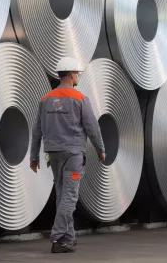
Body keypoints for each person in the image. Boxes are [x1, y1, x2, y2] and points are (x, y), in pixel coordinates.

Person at [30, 56, 106, 253]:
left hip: (53, 154)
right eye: (77, 73)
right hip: (72, 154)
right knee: (69, 197)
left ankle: (68, 239)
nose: (78, 76)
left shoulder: (45, 99)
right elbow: (93, 127)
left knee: (62, 195)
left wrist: (33, 156)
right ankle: (56, 238)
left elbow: (37, 130)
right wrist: (100, 149)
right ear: (72, 74)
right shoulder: (80, 99)